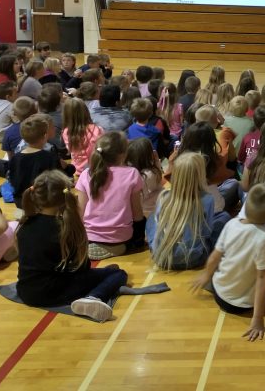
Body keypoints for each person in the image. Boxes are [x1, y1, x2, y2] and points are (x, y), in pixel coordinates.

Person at [16, 170, 128, 322]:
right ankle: (94, 297)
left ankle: (101, 279)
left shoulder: (24, 224)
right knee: (119, 274)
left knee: (107, 270)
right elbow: (82, 268)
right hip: (56, 293)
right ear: (65, 198)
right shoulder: (65, 228)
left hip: (26, 291)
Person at [191, 183, 265, 340]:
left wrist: (206, 275)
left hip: (219, 291)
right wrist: (257, 319)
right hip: (238, 305)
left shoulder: (231, 223)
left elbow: (215, 256)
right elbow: (263, 278)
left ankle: (218, 282)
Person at [147, 153, 229, 270]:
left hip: (161, 258)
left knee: (151, 218)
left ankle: (155, 246)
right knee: (224, 216)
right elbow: (207, 232)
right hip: (194, 259)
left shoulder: (164, 196)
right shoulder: (207, 199)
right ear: (200, 175)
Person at [75, 131, 146, 260]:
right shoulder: (132, 173)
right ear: (123, 154)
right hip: (121, 239)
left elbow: (79, 213)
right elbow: (137, 213)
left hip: (89, 238)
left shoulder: (85, 174)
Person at [125, 136, 164, 217]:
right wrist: (156, 160)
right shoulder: (151, 173)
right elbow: (160, 177)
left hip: (140, 209)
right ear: (149, 155)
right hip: (153, 209)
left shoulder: (130, 172)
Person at [62, 98, 104, 172]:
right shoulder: (98, 129)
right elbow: (102, 150)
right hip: (95, 168)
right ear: (86, 111)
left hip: (76, 169)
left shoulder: (66, 132)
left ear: (66, 114)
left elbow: (71, 151)